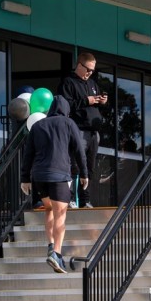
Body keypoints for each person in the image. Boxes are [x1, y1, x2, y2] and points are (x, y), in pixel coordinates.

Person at [21, 97, 88, 273]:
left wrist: (24, 178)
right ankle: (56, 253)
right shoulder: (68, 123)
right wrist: (84, 173)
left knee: (49, 208)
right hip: (58, 175)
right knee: (61, 214)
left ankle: (50, 244)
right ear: (65, 109)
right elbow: (80, 151)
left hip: (39, 176)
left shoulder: (37, 126)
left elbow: (28, 154)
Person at [58, 52, 107, 208]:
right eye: (88, 69)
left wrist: (101, 101)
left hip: (93, 131)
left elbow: (95, 102)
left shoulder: (92, 83)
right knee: (75, 165)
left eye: (93, 70)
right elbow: (65, 105)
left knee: (90, 167)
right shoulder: (68, 82)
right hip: (78, 129)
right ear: (79, 65)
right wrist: (87, 100)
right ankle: (70, 198)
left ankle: (85, 200)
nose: (90, 73)